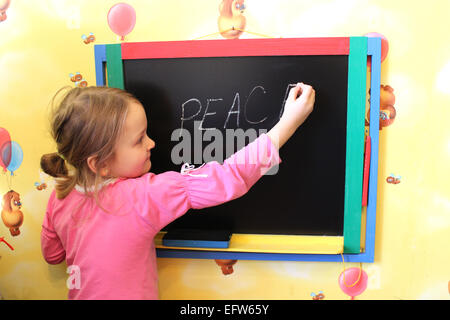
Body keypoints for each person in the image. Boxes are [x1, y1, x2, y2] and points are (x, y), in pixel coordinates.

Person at [40, 83, 315, 299]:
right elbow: (228, 177)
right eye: (139, 140)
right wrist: (287, 123)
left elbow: (52, 255)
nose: (152, 142)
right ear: (99, 163)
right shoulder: (143, 196)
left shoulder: (60, 196)